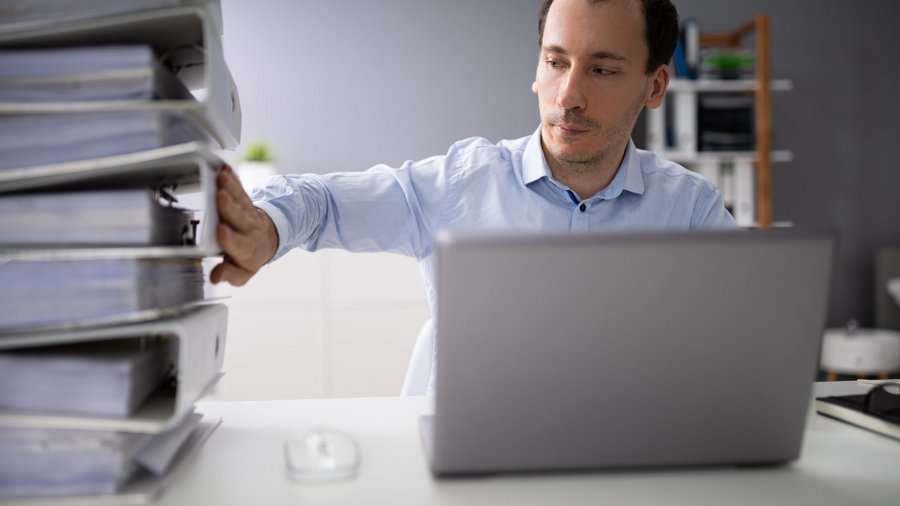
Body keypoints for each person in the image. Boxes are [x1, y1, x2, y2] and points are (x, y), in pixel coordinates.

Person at [211, 0, 737, 391]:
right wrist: (267, 225)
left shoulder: (691, 211)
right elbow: (321, 201)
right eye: (555, 62)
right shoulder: (463, 183)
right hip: (474, 474)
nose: (568, 96)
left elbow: (745, 351)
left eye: (601, 70)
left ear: (655, 86)